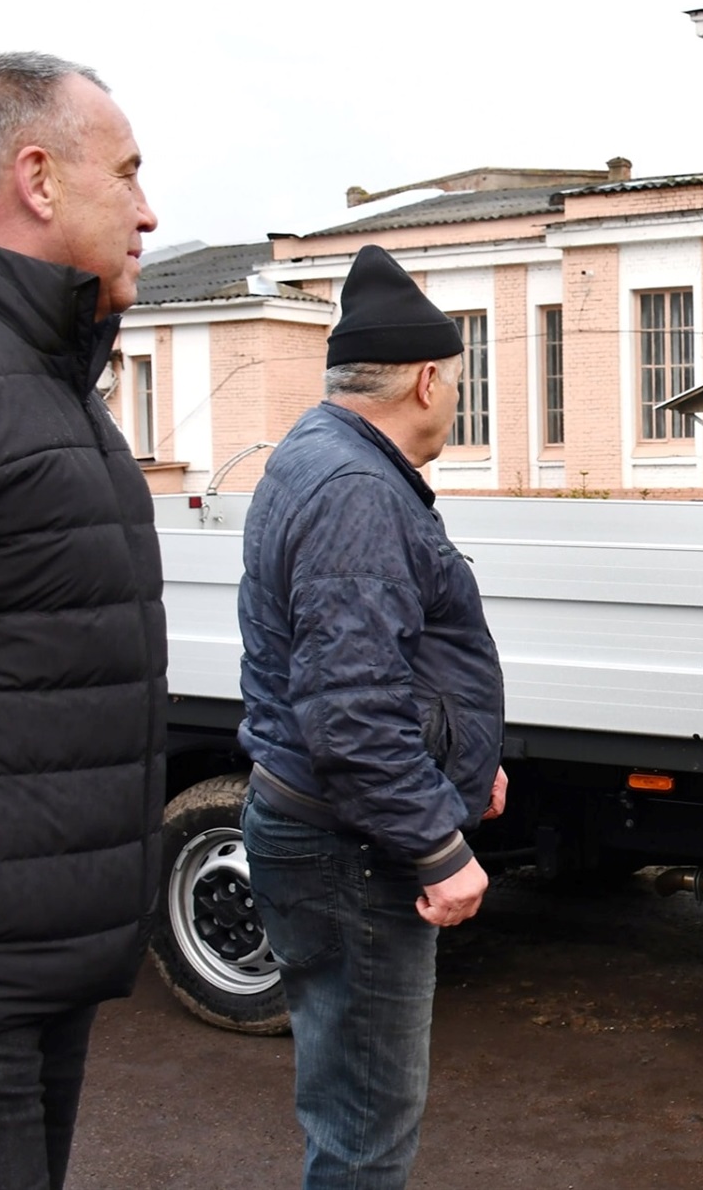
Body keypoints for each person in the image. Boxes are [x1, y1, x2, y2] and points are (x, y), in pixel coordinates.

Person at [238, 244, 508, 1189]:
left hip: (323, 832)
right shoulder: (356, 488)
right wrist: (438, 843)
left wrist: (468, 761)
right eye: (457, 382)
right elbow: (350, 709)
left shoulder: (320, 453)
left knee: (353, 1115)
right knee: (364, 1134)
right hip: (350, 851)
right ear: (428, 378)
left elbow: (379, 663)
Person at [0, 51, 165, 1190]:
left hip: (50, 968)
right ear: (39, 179)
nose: (149, 210)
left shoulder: (50, 378)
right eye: (127, 174)